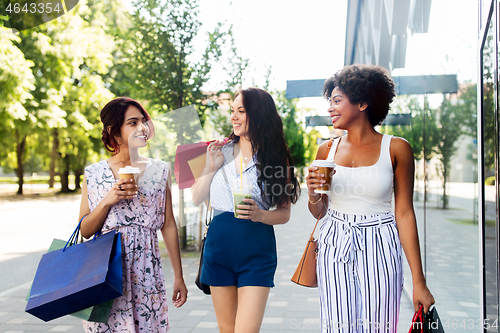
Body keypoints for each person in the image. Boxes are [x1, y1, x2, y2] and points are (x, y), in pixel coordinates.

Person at [306, 64, 435, 333]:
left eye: (337, 101)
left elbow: (404, 214)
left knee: (381, 326)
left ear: (363, 102)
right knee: (337, 327)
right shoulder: (326, 150)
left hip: (381, 242)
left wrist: (419, 281)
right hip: (335, 242)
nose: (330, 108)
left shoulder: (397, 148)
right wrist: (313, 194)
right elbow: (319, 211)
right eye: (330, 101)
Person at [191, 87, 300, 333]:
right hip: (219, 247)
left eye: (241, 111)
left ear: (259, 114)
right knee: (227, 330)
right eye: (233, 111)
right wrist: (211, 167)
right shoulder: (218, 150)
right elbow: (197, 197)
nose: (234, 117)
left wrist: (261, 215)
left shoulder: (276, 159)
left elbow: (284, 213)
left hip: (256, 250)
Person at [78, 97, 188, 332]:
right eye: (132, 122)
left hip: (146, 274)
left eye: (143, 121)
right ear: (114, 132)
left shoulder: (160, 170)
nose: (142, 127)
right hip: (105, 275)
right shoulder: (94, 174)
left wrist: (179, 275)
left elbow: (168, 225)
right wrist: (108, 200)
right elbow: (85, 230)